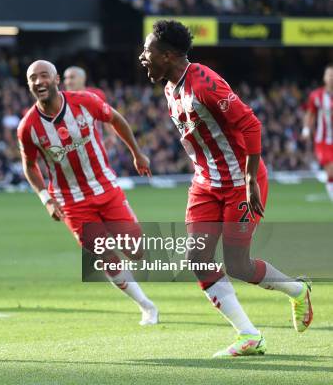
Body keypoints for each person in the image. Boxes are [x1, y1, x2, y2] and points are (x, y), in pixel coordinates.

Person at [139, 19, 313, 357]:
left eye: (148, 51)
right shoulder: (170, 87)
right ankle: (249, 335)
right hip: (205, 184)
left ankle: (296, 289)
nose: (142, 57)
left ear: (169, 55)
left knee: (237, 265)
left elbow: (250, 123)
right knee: (197, 257)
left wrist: (249, 180)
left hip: (239, 184)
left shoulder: (205, 83)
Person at [18, 60, 159, 326]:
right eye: (33, 78)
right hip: (71, 201)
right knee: (106, 256)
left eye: (44, 76)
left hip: (105, 187)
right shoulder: (28, 127)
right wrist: (45, 199)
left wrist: (137, 153)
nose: (39, 82)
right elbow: (29, 166)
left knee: (136, 250)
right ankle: (146, 306)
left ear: (56, 79)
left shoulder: (85, 102)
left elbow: (115, 119)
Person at [303, 63, 333, 201]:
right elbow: (310, 114)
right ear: (324, 77)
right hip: (323, 141)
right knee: (331, 171)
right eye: (329, 75)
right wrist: (306, 129)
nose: (331, 78)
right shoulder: (316, 96)